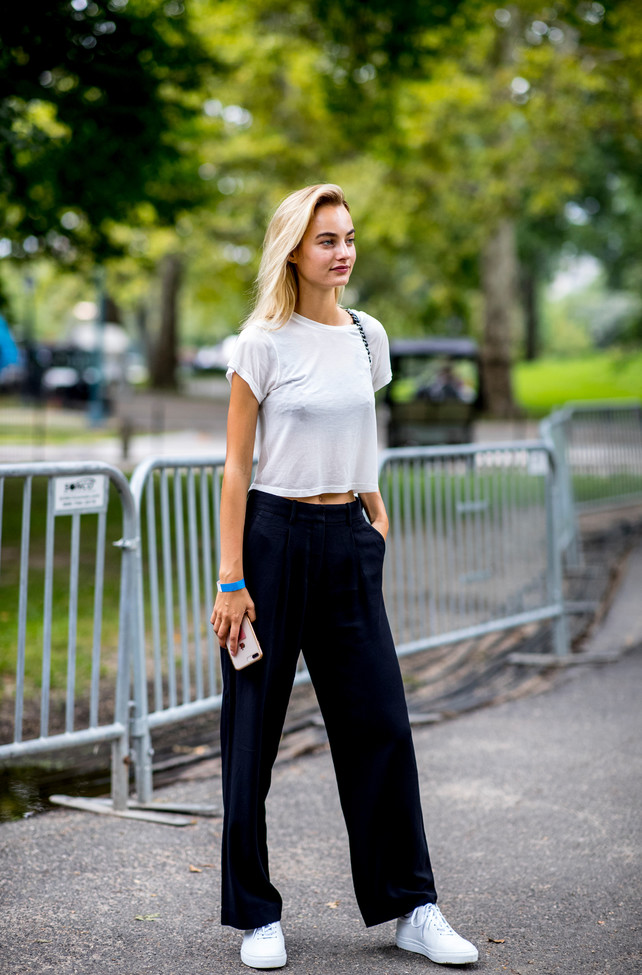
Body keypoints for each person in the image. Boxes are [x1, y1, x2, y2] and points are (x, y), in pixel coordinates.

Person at [211, 184, 478, 970]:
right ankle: (256, 915)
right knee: (252, 735)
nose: (343, 252)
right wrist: (231, 578)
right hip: (271, 540)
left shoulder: (367, 335)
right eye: (327, 239)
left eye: (349, 237)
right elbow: (235, 467)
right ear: (294, 249)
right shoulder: (261, 343)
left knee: (381, 725)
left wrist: (375, 513)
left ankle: (412, 906)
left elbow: (356, 429)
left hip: (348, 539)